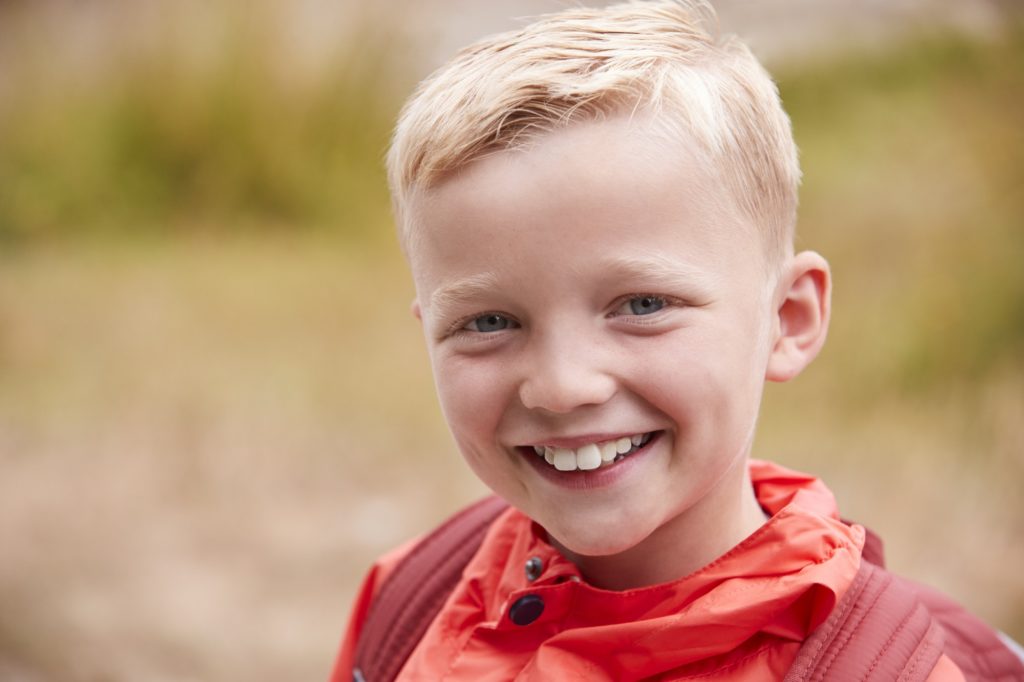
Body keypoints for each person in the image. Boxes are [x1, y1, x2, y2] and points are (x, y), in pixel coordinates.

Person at [329, 1, 1024, 679]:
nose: (564, 385)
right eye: (488, 322)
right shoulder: (413, 604)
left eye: (642, 304)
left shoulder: (882, 668)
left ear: (787, 318)